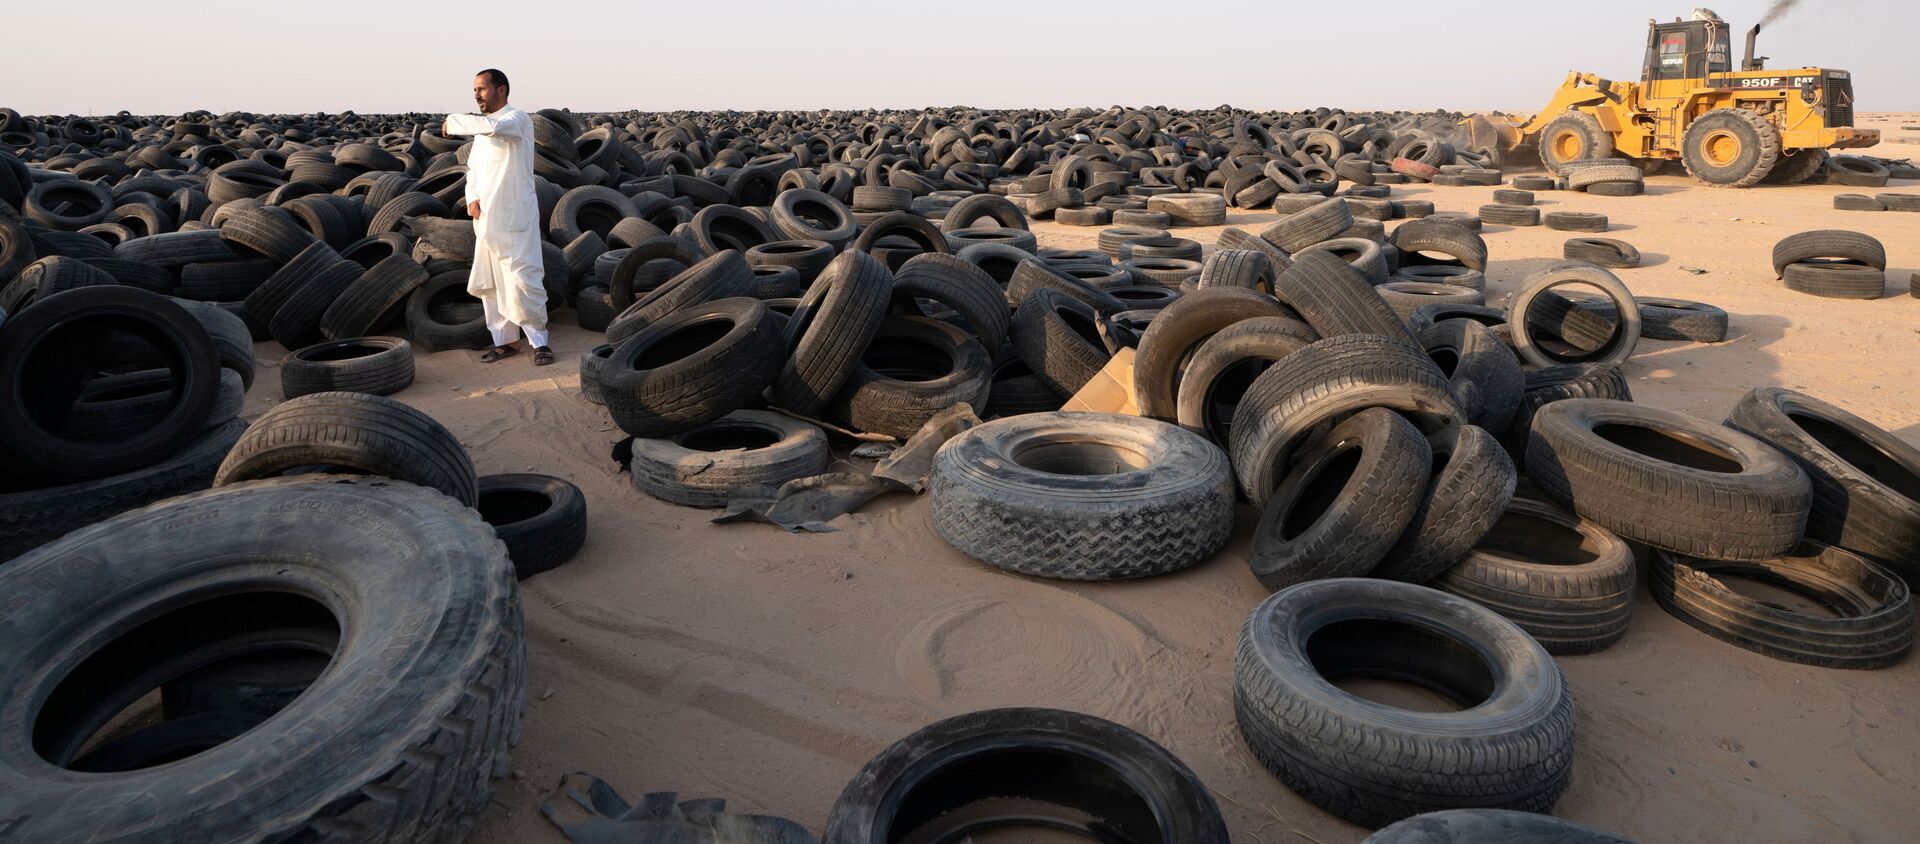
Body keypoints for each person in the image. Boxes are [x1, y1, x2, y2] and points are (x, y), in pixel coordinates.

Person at [443, 68, 552, 365]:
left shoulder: (517, 120)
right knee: (491, 283)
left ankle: (540, 342)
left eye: (481, 89)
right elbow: (474, 170)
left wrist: (453, 121)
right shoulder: (481, 132)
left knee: (522, 278)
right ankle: (505, 342)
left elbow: (495, 128)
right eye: (474, 89)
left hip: (515, 216)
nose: (476, 94)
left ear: (501, 90)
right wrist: (472, 199)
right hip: (487, 219)